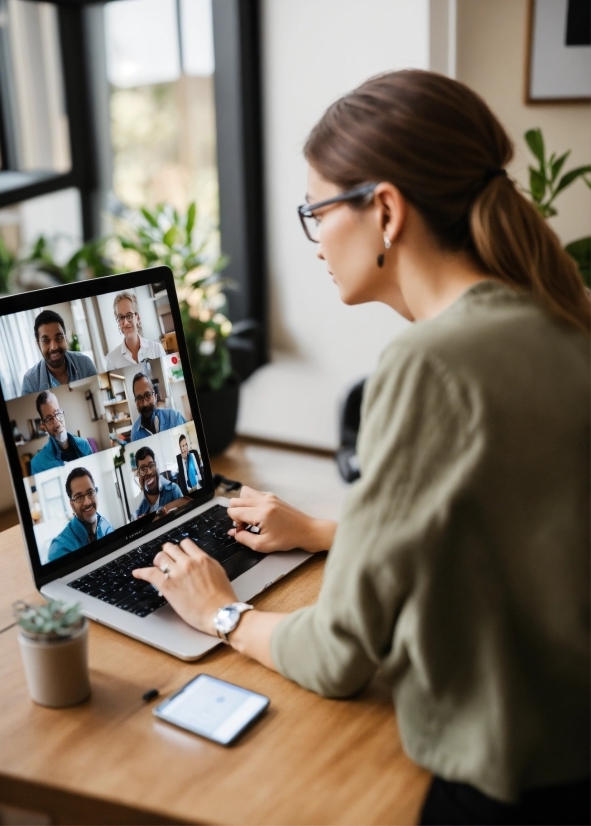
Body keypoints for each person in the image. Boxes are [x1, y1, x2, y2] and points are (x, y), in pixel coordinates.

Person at [132, 71, 590, 825]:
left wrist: (220, 613)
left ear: (384, 210)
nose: (313, 240)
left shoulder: (431, 364)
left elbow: (338, 656)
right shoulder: (560, 322)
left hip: (509, 792)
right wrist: (319, 533)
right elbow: (502, 532)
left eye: (316, 210)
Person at [21, 310, 97, 396]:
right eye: (46, 340)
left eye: (59, 338)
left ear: (66, 339)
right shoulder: (30, 382)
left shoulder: (85, 363)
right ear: (39, 345)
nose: (54, 347)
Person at [48, 467, 114, 561]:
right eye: (79, 497)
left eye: (90, 492)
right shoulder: (60, 549)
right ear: (72, 505)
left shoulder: (106, 525)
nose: (87, 502)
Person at [30, 391, 93, 475]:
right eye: (49, 418)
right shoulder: (38, 464)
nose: (56, 422)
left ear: (62, 414)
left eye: (57, 413)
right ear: (44, 426)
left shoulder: (84, 444)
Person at [105, 292, 165, 369]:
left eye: (129, 315)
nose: (126, 323)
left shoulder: (156, 349)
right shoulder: (111, 360)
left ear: (138, 318)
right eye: (121, 317)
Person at [131, 446, 184, 520]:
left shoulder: (174, 490)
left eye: (151, 465)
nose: (148, 472)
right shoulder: (139, 513)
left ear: (156, 467)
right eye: (143, 469)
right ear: (139, 474)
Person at [130, 373, 186, 442]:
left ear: (155, 397)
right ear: (136, 403)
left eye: (147, 395)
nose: (145, 404)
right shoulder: (135, 434)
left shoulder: (174, 417)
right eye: (139, 398)